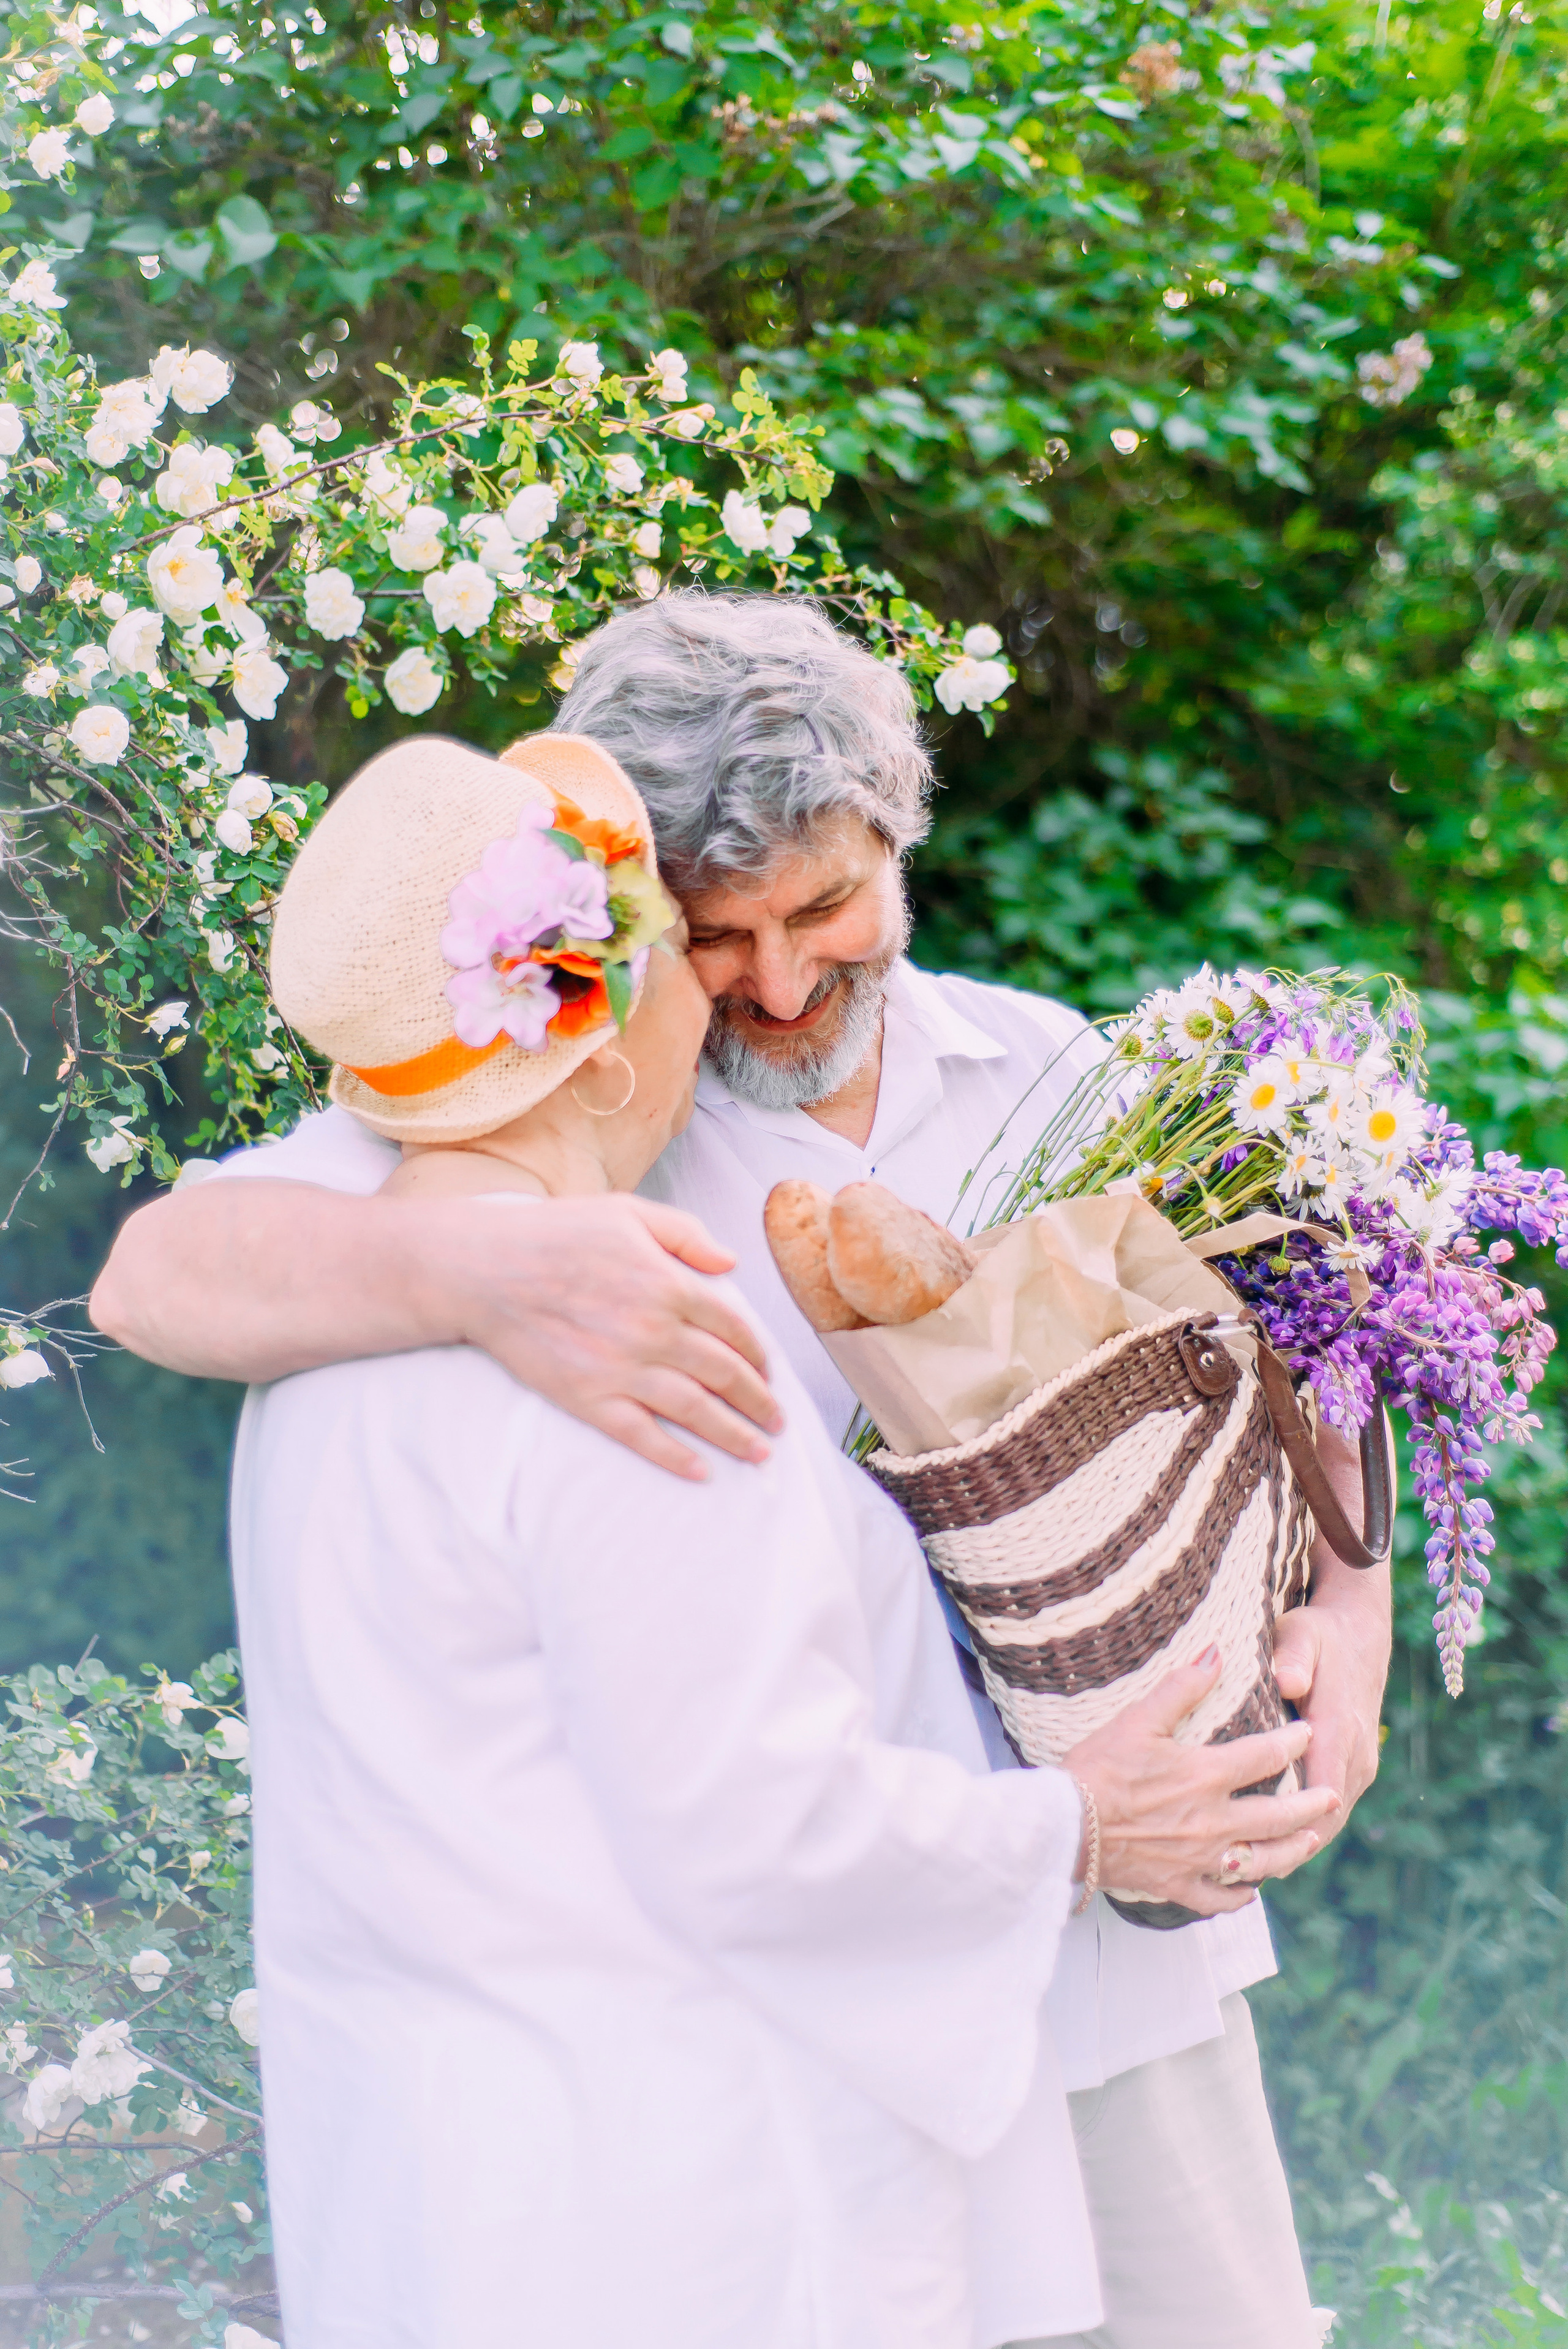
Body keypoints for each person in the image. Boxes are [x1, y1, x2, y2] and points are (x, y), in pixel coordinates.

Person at [93, 592, 1387, 2348]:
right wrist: (477, 1271)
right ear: (629, 914)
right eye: (719, 933)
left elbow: (1309, 1358)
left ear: (901, 840)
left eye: (825, 909)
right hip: (819, 1993)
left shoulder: (1059, 1073)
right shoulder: (556, 1082)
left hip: (1124, 1965)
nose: (778, 983)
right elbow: (153, 1276)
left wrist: (1352, 1607)